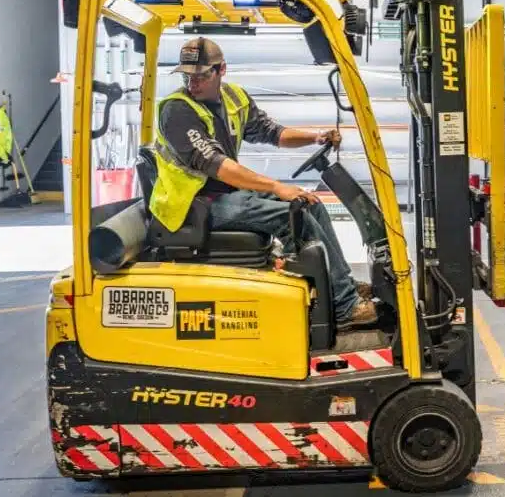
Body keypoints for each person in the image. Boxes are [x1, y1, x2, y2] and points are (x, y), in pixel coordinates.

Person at [150, 36, 377, 331]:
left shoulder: (234, 98)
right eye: (187, 76)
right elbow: (217, 165)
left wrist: (315, 137)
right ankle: (345, 306)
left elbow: (273, 132)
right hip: (193, 206)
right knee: (293, 217)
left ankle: (340, 284)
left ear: (221, 70)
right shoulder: (177, 111)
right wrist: (275, 187)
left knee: (311, 205)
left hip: (223, 195)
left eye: (201, 75)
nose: (192, 83)